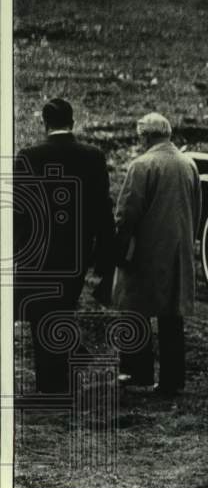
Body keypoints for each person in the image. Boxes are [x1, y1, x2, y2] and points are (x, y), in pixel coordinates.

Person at [13, 98, 115, 393]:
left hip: (38, 252)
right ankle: (64, 372)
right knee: (63, 308)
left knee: (41, 313)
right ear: (72, 122)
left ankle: (52, 383)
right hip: (77, 251)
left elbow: (19, 210)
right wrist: (105, 254)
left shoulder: (29, 156)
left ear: (44, 123)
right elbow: (102, 209)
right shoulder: (93, 157)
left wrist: (17, 248)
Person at [110, 113, 200, 397]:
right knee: (172, 315)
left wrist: (119, 246)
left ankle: (137, 371)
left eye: (140, 137)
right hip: (179, 250)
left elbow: (127, 213)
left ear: (146, 137)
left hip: (146, 251)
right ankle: (172, 380)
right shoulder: (189, 164)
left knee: (134, 307)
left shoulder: (142, 165)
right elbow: (196, 207)